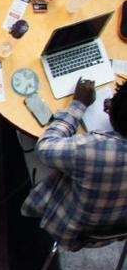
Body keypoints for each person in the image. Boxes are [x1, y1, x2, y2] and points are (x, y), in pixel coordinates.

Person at [21, 78, 127, 249]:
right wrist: (118, 111)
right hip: (114, 233)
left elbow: (44, 147)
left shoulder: (92, 149)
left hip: (71, 230)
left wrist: (78, 104)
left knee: (26, 137)